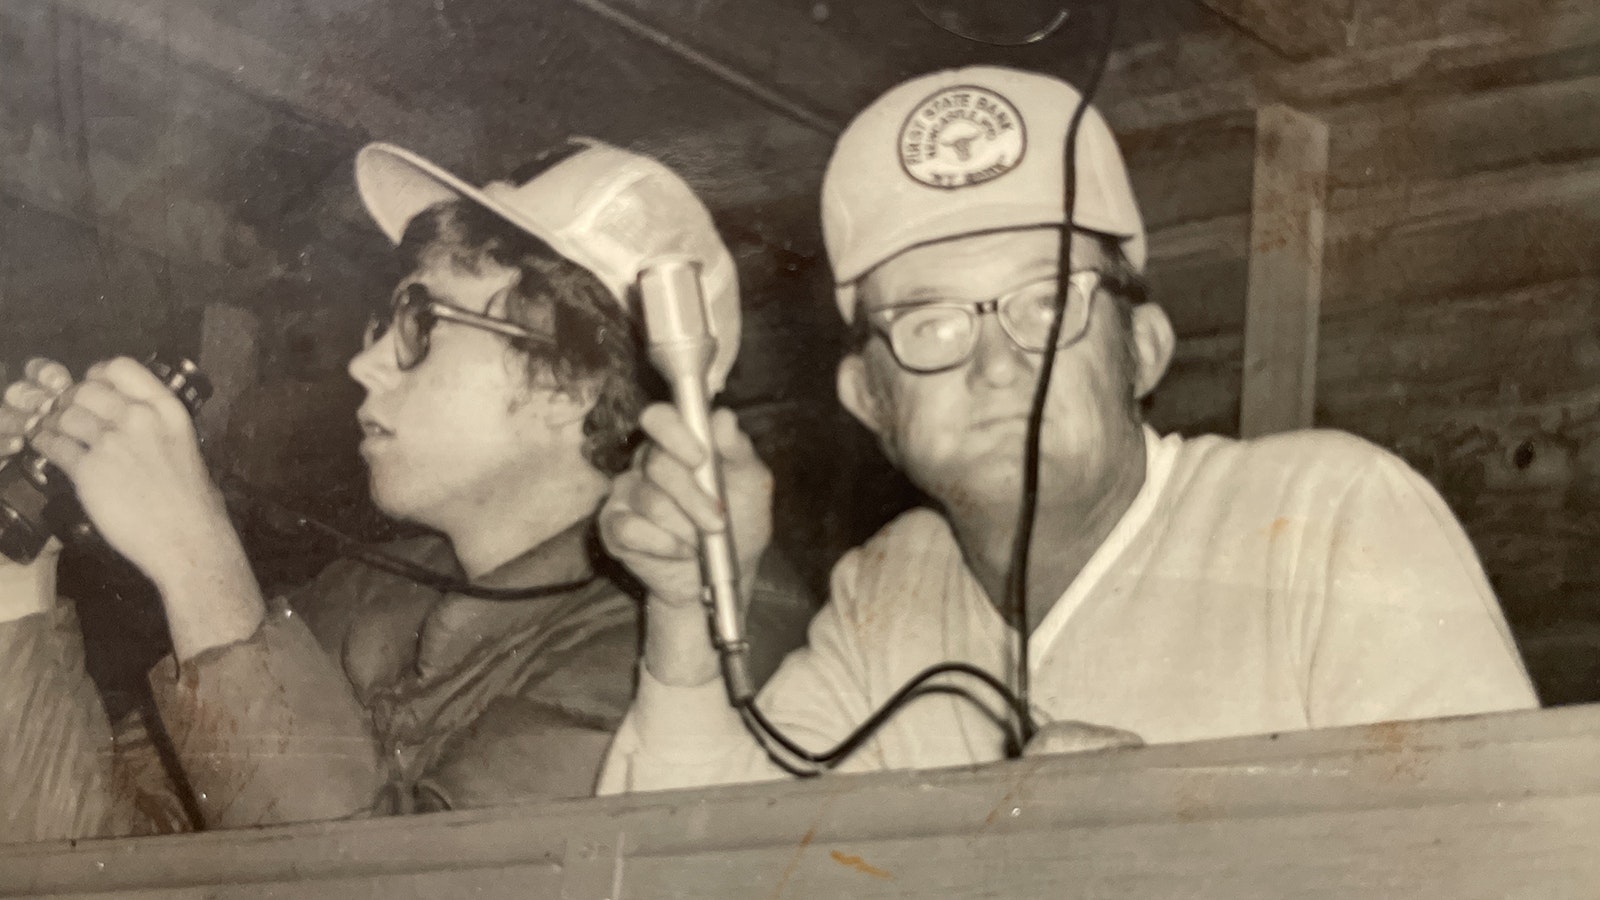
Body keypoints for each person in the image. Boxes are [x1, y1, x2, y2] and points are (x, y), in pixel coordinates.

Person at [596, 65, 1539, 794]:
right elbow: (701, 870)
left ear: (1145, 350)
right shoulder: (886, 595)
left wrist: (1160, 853)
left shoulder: (1331, 514)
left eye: (1048, 306)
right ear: (868, 400)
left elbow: (1507, 864)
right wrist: (682, 608)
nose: (996, 362)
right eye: (931, 323)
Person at [0, 138, 809, 842]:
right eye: (385, 322)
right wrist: (17, 572)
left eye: (422, 321)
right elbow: (93, 854)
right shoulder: (367, 592)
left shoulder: (701, 644)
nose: (364, 364)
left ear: (570, 381)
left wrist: (194, 554)